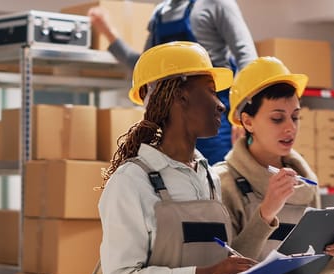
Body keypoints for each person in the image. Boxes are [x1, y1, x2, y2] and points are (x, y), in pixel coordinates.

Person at [92, 41, 269, 274]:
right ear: (179, 95)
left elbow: (210, 258)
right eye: (211, 91)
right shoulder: (132, 182)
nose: (221, 105)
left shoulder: (207, 176)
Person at [213, 56, 334, 274]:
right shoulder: (223, 182)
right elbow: (222, 273)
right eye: (277, 118)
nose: (290, 127)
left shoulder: (306, 183)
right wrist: (266, 212)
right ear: (248, 122)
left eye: (295, 117)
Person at [88, 0, 257, 165]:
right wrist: (108, 33)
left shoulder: (217, 4)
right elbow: (143, 66)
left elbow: (247, 58)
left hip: (214, 117)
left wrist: (241, 110)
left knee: (214, 179)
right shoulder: (160, 14)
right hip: (173, 120)